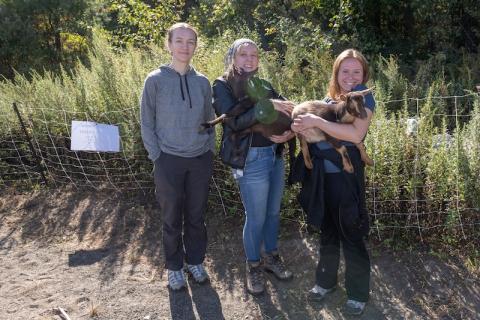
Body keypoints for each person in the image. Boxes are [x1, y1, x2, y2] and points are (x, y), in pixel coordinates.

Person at [290, 49, 375, 315]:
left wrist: (314, 121)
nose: (350, 77)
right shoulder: (329, 101)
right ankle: (325, 282)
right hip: (322, 178)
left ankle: (358, 293)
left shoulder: (363, 97)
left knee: (351, 230)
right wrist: (297, 125)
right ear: (336, 74)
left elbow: (354, 132)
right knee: (327, 231)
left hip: (346, 179)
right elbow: (309, 129)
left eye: (356, 71)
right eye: (345, 71)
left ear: (364, 75)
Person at [212, 38, 295, 295]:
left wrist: (290, 134)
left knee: (272, 214)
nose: (249, 59)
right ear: (233, 58)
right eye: (243, 54)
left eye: (254, 55)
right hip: (250, 159)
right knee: (256, 217)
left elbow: (291, 110)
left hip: (274, 155)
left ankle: (271, 258)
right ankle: (254, 266)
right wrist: (267, 106)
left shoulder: (263, 85)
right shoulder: (222, 85)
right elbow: (232, 123)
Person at [140, 22, 215, 291]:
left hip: (199, 160)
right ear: (169, 44)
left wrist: (209, 148)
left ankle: (195, 261)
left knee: (196, 216)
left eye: (190, 41)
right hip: (168, 160)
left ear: (196, 46)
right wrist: (156, 155)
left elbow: (210, 118)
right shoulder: (155, 80)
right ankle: (174, 267)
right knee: (171, 219)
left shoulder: (203, 81)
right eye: (179, 41)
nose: (185, 46)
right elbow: (146, 122)